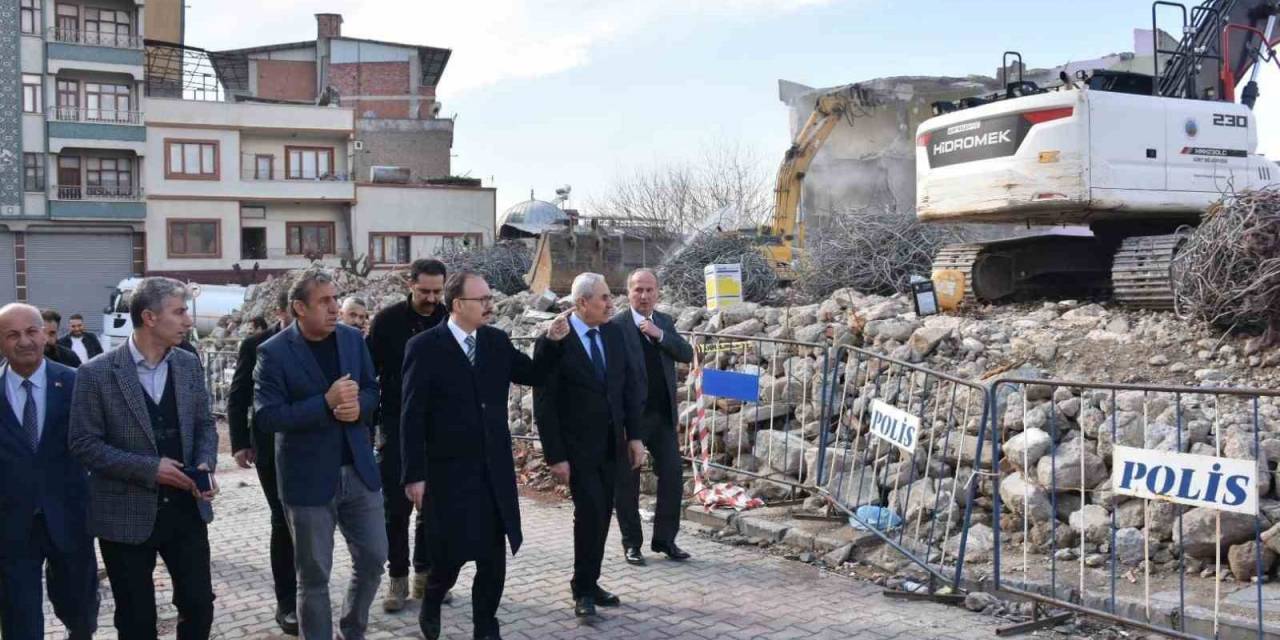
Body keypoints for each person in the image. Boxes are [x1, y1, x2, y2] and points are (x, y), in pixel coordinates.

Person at [401, 272, 570, 640]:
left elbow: (534, 373)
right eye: (482, 299)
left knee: (492, 557)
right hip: (447, 473)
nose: (490, 305)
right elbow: (411, 415)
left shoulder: (495, 341)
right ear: (459, 305)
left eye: (490, 298)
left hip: (492, 471)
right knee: (448, 557)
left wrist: (551, 342)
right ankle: (432, 599)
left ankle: (485, 627)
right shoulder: (424, 347)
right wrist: (414, 474)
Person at [68, 277, 219, 640]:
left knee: (199, 606)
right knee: (136, 620)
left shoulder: (187, 364)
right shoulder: (96, 374)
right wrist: (151, 469)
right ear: (150, 317)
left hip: (186, 510)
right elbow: (84, 443)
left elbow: (205, 424)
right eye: (179, 312)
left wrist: (204, 464)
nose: (187, 320)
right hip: (125, 516)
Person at [254, 271, 386, 640]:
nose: (334, 308)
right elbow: (267, 416)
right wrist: (325, 405)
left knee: (375, 560)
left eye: (335, 299)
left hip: (359, 472)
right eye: (324, 301)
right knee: (313, 577)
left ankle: (352, 629)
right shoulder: (274, 352)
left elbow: (373, 390)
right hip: (308, 481)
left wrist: (358, 407)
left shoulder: (351, 339)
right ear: (299, 308)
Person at [534, 272, 645, 619]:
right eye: (603, 298)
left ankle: (590, 581)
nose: (611, 304)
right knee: (590, 513)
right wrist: (555, 456)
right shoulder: (555, 338)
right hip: (576, 448)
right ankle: (582, 589)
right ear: (582, 303)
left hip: (611, 444)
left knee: (601, 514)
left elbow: (626, 386)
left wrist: (635, 436)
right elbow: (545, 402)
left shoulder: (613, 332)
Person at [0, 304, 99, 640]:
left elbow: (97, 443)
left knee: (79, 608)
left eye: (31, 331)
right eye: (12, 334)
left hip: (70, 516)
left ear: (45, 334)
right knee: (19, 617)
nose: (24, 341)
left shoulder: (75, 383)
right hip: (11, 524)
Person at [366, 258, 447, 611]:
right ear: (410, 284)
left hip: (440, 431)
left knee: (434, 508)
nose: (431, 298)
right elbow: (369, 374)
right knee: (396, 510)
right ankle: (397, 580)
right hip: (397, 426)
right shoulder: (387, 322)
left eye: (437, 291)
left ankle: (425, 579)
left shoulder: (449, 318)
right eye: (424, 291)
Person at [226, 291, 297, 635]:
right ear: (284, 311)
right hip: (269, 446)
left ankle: (310, 592)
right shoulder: (256, 345)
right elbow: (238, 396)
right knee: (282, 520)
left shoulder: (327, 341)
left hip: (311, 448)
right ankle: (287, 604)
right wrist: (239, 443)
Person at [612, 269, 694, 565]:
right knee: (627, 483)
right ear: (628, 293)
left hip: (662, 417)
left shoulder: (664, 322)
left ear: (657, 292)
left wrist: (659, 336)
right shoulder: (616, 326)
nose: (644, 296)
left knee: (672, 475)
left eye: (649, 290)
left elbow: (686, 353)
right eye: (638, 290)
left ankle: (665, 540)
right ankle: (632, 543)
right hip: (630, 419)